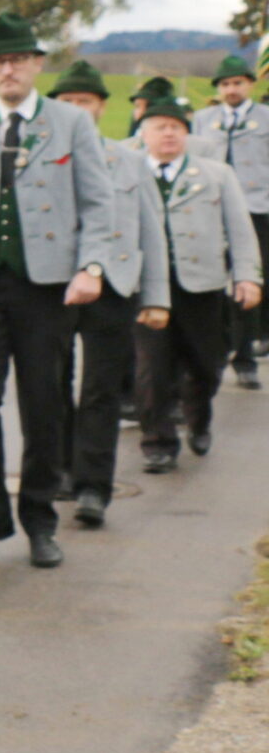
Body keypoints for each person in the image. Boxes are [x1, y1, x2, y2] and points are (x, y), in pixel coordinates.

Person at [0, 12, 116, 569]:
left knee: (43, 403)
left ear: (36, 64)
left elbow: (98, 202)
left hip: (48, 286)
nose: (7, 70)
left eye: (17, 60)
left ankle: (38, 518)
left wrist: (92, 266)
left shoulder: (69, 122)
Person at [46, 62, 170, 527]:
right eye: (67, 102)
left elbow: (151, 231)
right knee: (52, 382)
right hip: (53, 287)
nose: (77, 109)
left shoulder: (128, 160)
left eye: (85, 101)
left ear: (101, 107)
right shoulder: (38, 160)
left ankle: (93, 487)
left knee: (101, 389)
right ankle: (61, 467)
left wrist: (156, 297)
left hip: (114, 285)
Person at [137, 96, 264, 472]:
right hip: (148, 287)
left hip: (202, 285)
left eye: (176, 127)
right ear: (143, 134)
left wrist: (247, 276)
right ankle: (158, 442)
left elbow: (240, 230)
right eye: (160, 127)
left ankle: (198, 416)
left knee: (206, 364)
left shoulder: (216, 174)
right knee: (152, 369)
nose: (169, 134)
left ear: (187, 134)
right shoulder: (129, 174)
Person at [192, 51, 268, 389]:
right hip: (213, 209)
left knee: (248, 280)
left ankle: (245, 357)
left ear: (250, 84)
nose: (231, 89)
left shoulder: (265, 117)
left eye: (237, 83)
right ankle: (217, 349)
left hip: (257, 206)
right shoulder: (203, 119)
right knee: (210, 281)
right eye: (225, 84)